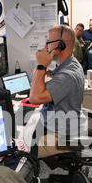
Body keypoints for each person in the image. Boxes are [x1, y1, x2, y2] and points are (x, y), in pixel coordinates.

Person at [29, 25, 86, 159]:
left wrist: (42, 65)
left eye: (49, 42)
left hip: (63, 135)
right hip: (65, 124)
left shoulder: (67, 75)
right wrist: (43, 67)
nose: (45, 46)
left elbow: (34, 98)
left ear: (61, 45)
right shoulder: (70, 63)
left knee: (24, 147)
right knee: (29, 127)